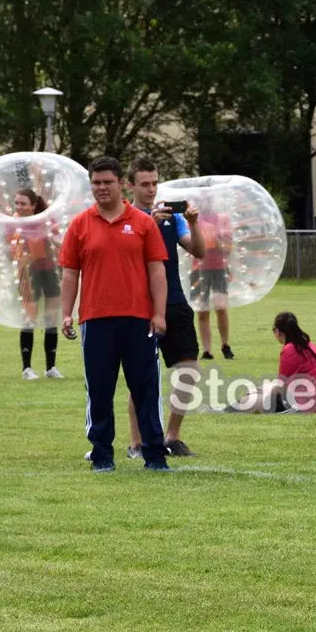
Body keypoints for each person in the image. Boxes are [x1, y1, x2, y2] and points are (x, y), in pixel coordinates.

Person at [59, 155, 170, 472]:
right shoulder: (80, 224)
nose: (102, 188)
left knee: (145, 388)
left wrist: (159, 314)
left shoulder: (143, 223)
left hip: (138, 319)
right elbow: (69, 274)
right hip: (95, 320)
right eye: (96, 183)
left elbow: (157, 272)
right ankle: (102, 456)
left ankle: (154, 456)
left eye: (107, 182)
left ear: (121, 183)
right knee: (99, 390)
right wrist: (67, 313)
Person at [124, 157, 205, 458]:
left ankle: (172, 435)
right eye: (144, 184)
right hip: (139, 306)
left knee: (189, 371)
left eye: (154, 183)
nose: (150, 189)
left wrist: (194, 223)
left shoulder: (172, 217)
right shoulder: (127, 217)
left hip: (174, 302)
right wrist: (148, 226)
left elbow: (198, 250)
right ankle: (137, 442)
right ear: (131, 185)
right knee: (141, 375)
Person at [231, 311, 316, 413]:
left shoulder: (290, 349)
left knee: (250, 400)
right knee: (262, 388)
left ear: (278, 331)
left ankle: (225, 410)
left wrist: (265, 394)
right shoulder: (307, 344)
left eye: (274, 329)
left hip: (309, 406)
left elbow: (281, 388)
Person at [10, 188, 63, 379]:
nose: (19, 207)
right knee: (29, 318)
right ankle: (27, 368)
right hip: (28, 273)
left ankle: (51, 367)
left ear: (33, 205)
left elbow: (59, 242)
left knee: (51, 318)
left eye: (23, 203)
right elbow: (10, 250)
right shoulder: (13, 224)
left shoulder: (46, 221)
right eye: (16, 203)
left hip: (49, 271)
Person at [190, 200, 235, 360]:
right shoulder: (194, 220)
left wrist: (217, 241)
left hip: (218, 269)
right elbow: (189, 246)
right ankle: (207, 350)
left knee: (221, 308)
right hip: (198, 270)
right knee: (202, 312)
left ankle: (225, 345)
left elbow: (228, 249)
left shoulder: (222, 220)